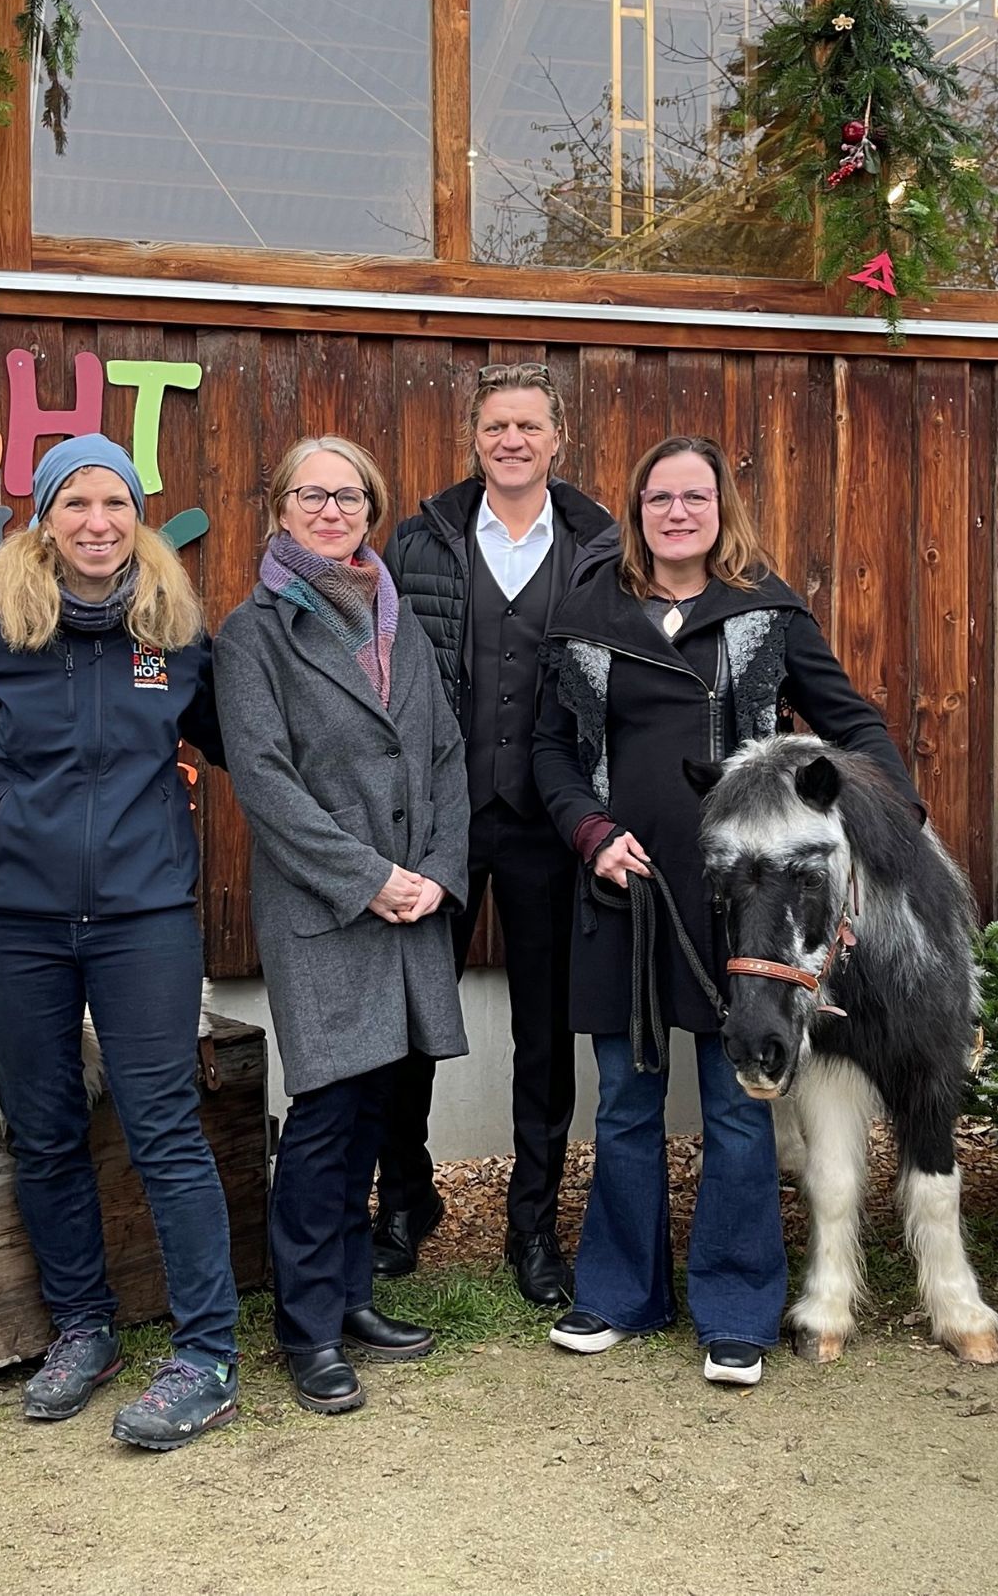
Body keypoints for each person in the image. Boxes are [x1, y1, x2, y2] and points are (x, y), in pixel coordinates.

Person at [0, 433, 242, 1451]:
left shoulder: (172, 631)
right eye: (75, 503)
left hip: (143, 916)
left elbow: (240, 741)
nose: (96, 522)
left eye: (115, 504)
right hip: (15, 919)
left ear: (138, 519)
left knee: (163, 1127)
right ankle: (85, 1328)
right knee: (42, 1131)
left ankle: (207, 1352)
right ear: (45, 520)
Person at [532, 434, 919, 1390]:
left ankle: (738, 1306)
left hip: (746, 909)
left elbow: (853, 720)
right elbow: (550, 753)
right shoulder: (587, 617)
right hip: (625, 887)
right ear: (637, 511)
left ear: (720, 508)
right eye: (658, 497)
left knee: (738, 1107)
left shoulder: (767, 612)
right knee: (624, 1101)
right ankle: (620, 1293)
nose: (676, 512)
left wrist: (884, 817)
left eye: (693, 496)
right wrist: (591, 833)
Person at [215, 436, 471, 1415]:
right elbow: (268, 786)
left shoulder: (398, 621)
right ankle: (307, 1326)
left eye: (349, 495)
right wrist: (370, 880)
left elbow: (445, 755)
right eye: (311, 496)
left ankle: (353, 1294)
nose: (332, 510)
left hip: (413, 905)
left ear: (371, 507)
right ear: (280, 508)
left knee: (379, 1108)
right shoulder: (254, 633)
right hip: (331, 905)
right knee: (326, 1114)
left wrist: (437, 877)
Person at [378, 364, 615, 1303]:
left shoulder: (601, 545)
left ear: (559, 440)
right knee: (411, 1020)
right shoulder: (420, 543)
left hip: (548, 824)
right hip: (439, 819)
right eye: (494, 426)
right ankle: (403, 1201)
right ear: (473, 438)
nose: (510, 440)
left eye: (527, 426)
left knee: (544, 1032)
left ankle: (533, 1226)